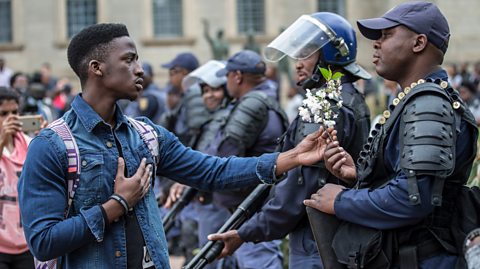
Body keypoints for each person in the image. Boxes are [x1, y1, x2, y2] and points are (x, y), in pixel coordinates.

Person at [17, 23, 328, 269]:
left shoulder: (147, 135)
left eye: (137, 58)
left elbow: (214, 172)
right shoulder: (52, 146)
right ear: (96, 68)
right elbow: (43, 242)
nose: (140, 69)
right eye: (129, 60)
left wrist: (289, 158)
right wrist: (115, 206)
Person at [304, 2, 478, 268]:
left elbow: (412, 199)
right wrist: (361, 176)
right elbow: (408, 181)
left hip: (422, 258)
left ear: (418, 43)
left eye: (386, 35)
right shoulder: (414, 99)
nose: (376, 44)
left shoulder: (428, 103)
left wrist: (341, 200)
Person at [208, 12, 371, 269]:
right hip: (338, 234)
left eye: (306, 53)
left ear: (330, 55)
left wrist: (247, 233)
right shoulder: (348, 95)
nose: (296, 62)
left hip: (317, 239)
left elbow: (300, 187)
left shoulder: (323, 104)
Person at [0, 87, 43, 269]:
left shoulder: (28, 143)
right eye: (3, 113)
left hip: (26, 241)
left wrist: (45, 143)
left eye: (15, 112)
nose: (11, 118)